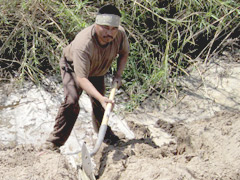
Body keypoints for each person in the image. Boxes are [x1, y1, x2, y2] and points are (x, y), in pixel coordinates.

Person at [42, 4, 129, 152]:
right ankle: (54, 143)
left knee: (100, 105)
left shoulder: (119, 34)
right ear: (96, 25)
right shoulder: (83, 44)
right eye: (105, 27)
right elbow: (82, 79)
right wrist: (102, 98)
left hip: (98, 70)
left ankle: (106, 136)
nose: (110, 32)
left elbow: (124, 53)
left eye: (113, 28)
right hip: (73, 68)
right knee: (71, 101)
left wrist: (118, 75)